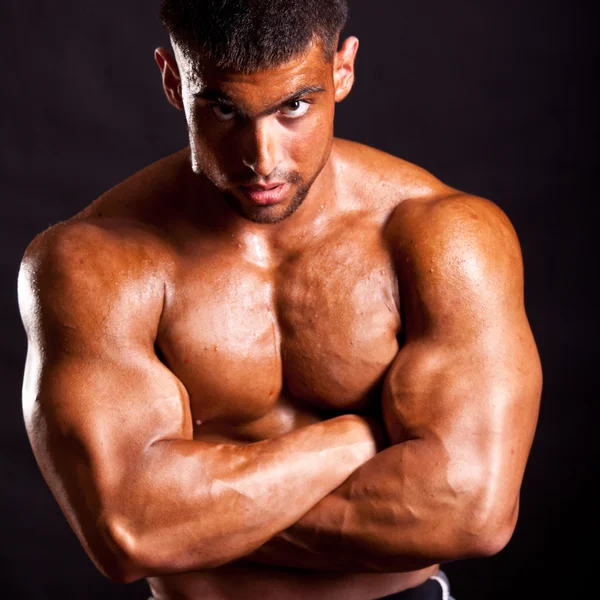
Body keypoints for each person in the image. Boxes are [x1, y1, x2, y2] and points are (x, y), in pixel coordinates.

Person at [17, 1, 542, 599]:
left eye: (294, 106)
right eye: (222, 109)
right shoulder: (94, 263)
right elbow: (128, 531)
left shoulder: (443, 237)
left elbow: (473, 511)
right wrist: (355, 439)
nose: (261, 159)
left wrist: (191, 519)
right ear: (172, 79)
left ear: (342, 71)